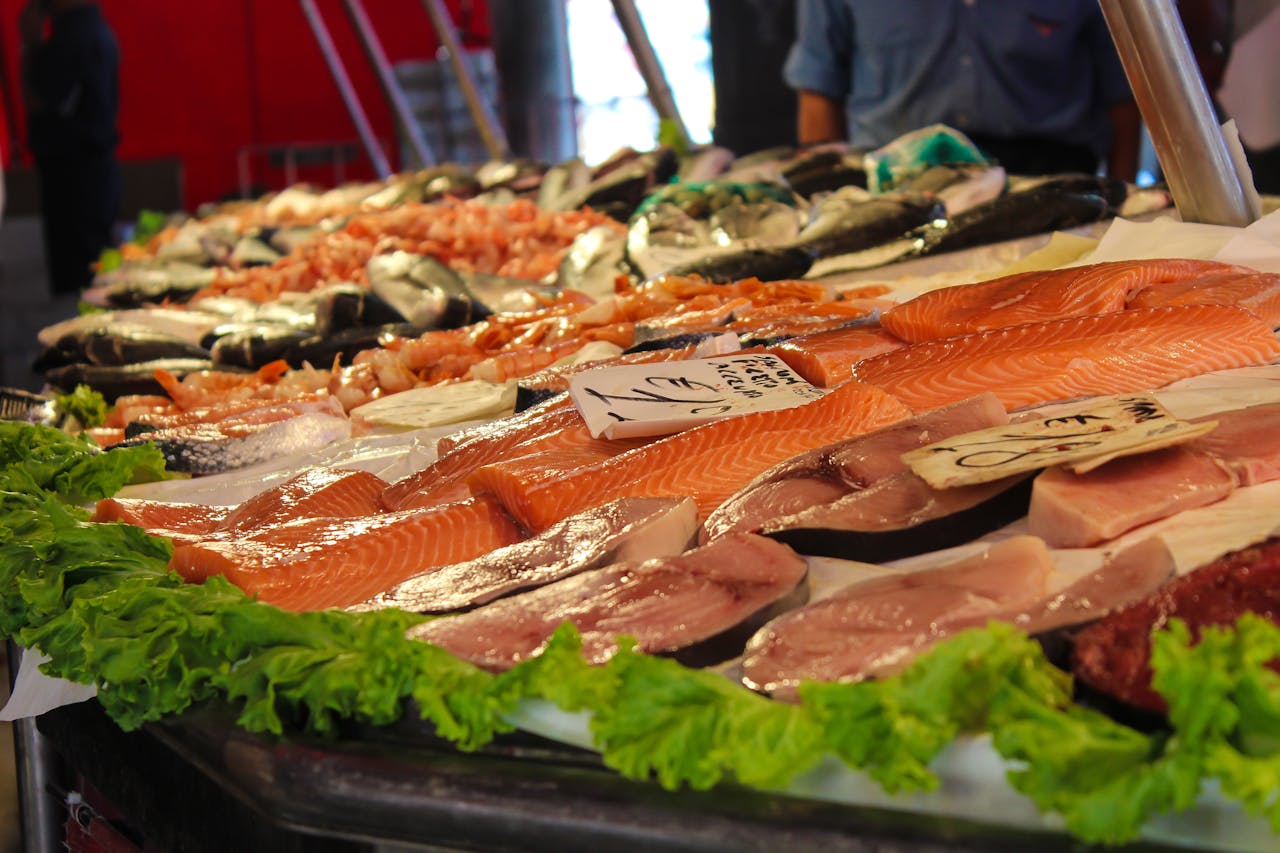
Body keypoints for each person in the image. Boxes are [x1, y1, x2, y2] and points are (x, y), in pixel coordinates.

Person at [785, 1, 1139, 180]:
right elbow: (818, 89)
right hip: (897, 183)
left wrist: (1128, 201)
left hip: (1049, 179)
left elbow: (1125, 96)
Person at [20, 0, 120, 296]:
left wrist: (29, 46)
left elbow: (38, 101)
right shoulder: (92, 29)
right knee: (93, 277)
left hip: (76, 178)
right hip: (89, 173)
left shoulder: (74, 36)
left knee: (83, 285)